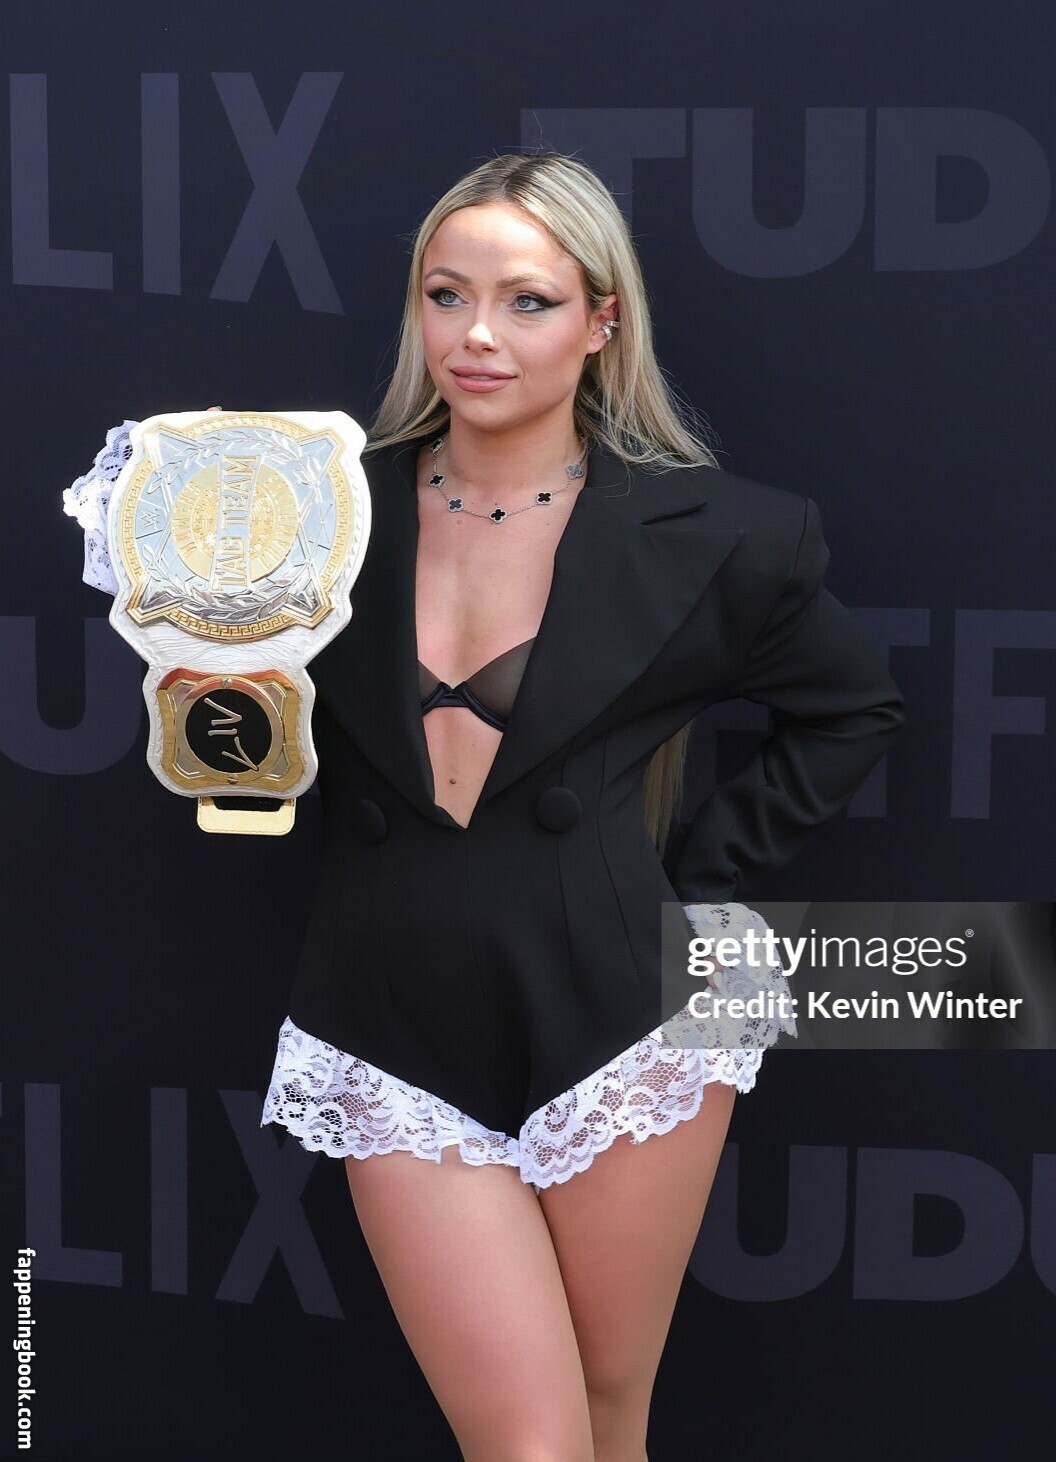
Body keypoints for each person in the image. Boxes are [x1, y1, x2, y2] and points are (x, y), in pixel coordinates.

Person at [63, 151, 906, 1462]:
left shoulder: (722, 535)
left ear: (602, 320)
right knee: (528, 1441)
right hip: (389, 1019)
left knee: (611, 1419)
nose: (476, 336)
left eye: (528, 301)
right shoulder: (305, 512)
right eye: (446, 294)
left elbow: (855, 708)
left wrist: (693, 878)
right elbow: (229, 724)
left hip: (632, 1015)